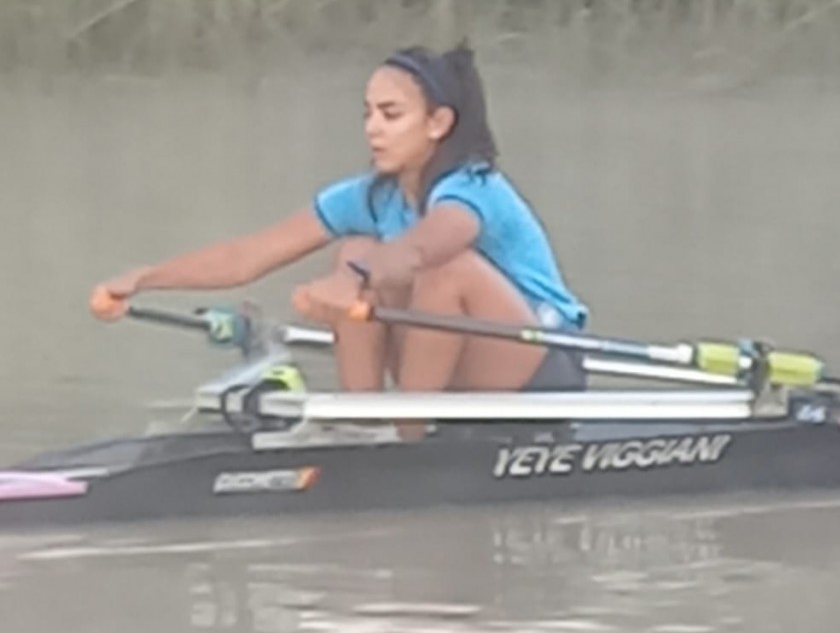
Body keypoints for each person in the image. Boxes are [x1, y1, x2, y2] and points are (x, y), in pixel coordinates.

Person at [90, 44, 588, 395]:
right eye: (367, 113)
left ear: (438, 123)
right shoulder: (369, 196)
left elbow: (424, 248)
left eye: (391, 115)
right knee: (354, 249)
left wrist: (350, 279)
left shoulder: (473, 186)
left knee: (432, 268)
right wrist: (147, 277)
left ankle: (407, 436)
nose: (373, 129)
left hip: (542, 361)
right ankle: (362, 423)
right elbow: (247, 256)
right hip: (457, 358)